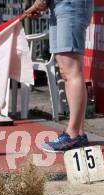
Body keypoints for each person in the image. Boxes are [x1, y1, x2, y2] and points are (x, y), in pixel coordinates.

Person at [27, 0, 93, 152]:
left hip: (71, 5)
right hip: (58, 6)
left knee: (71, 71)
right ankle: (79, 133)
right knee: (65, 70)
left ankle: (73, 135)